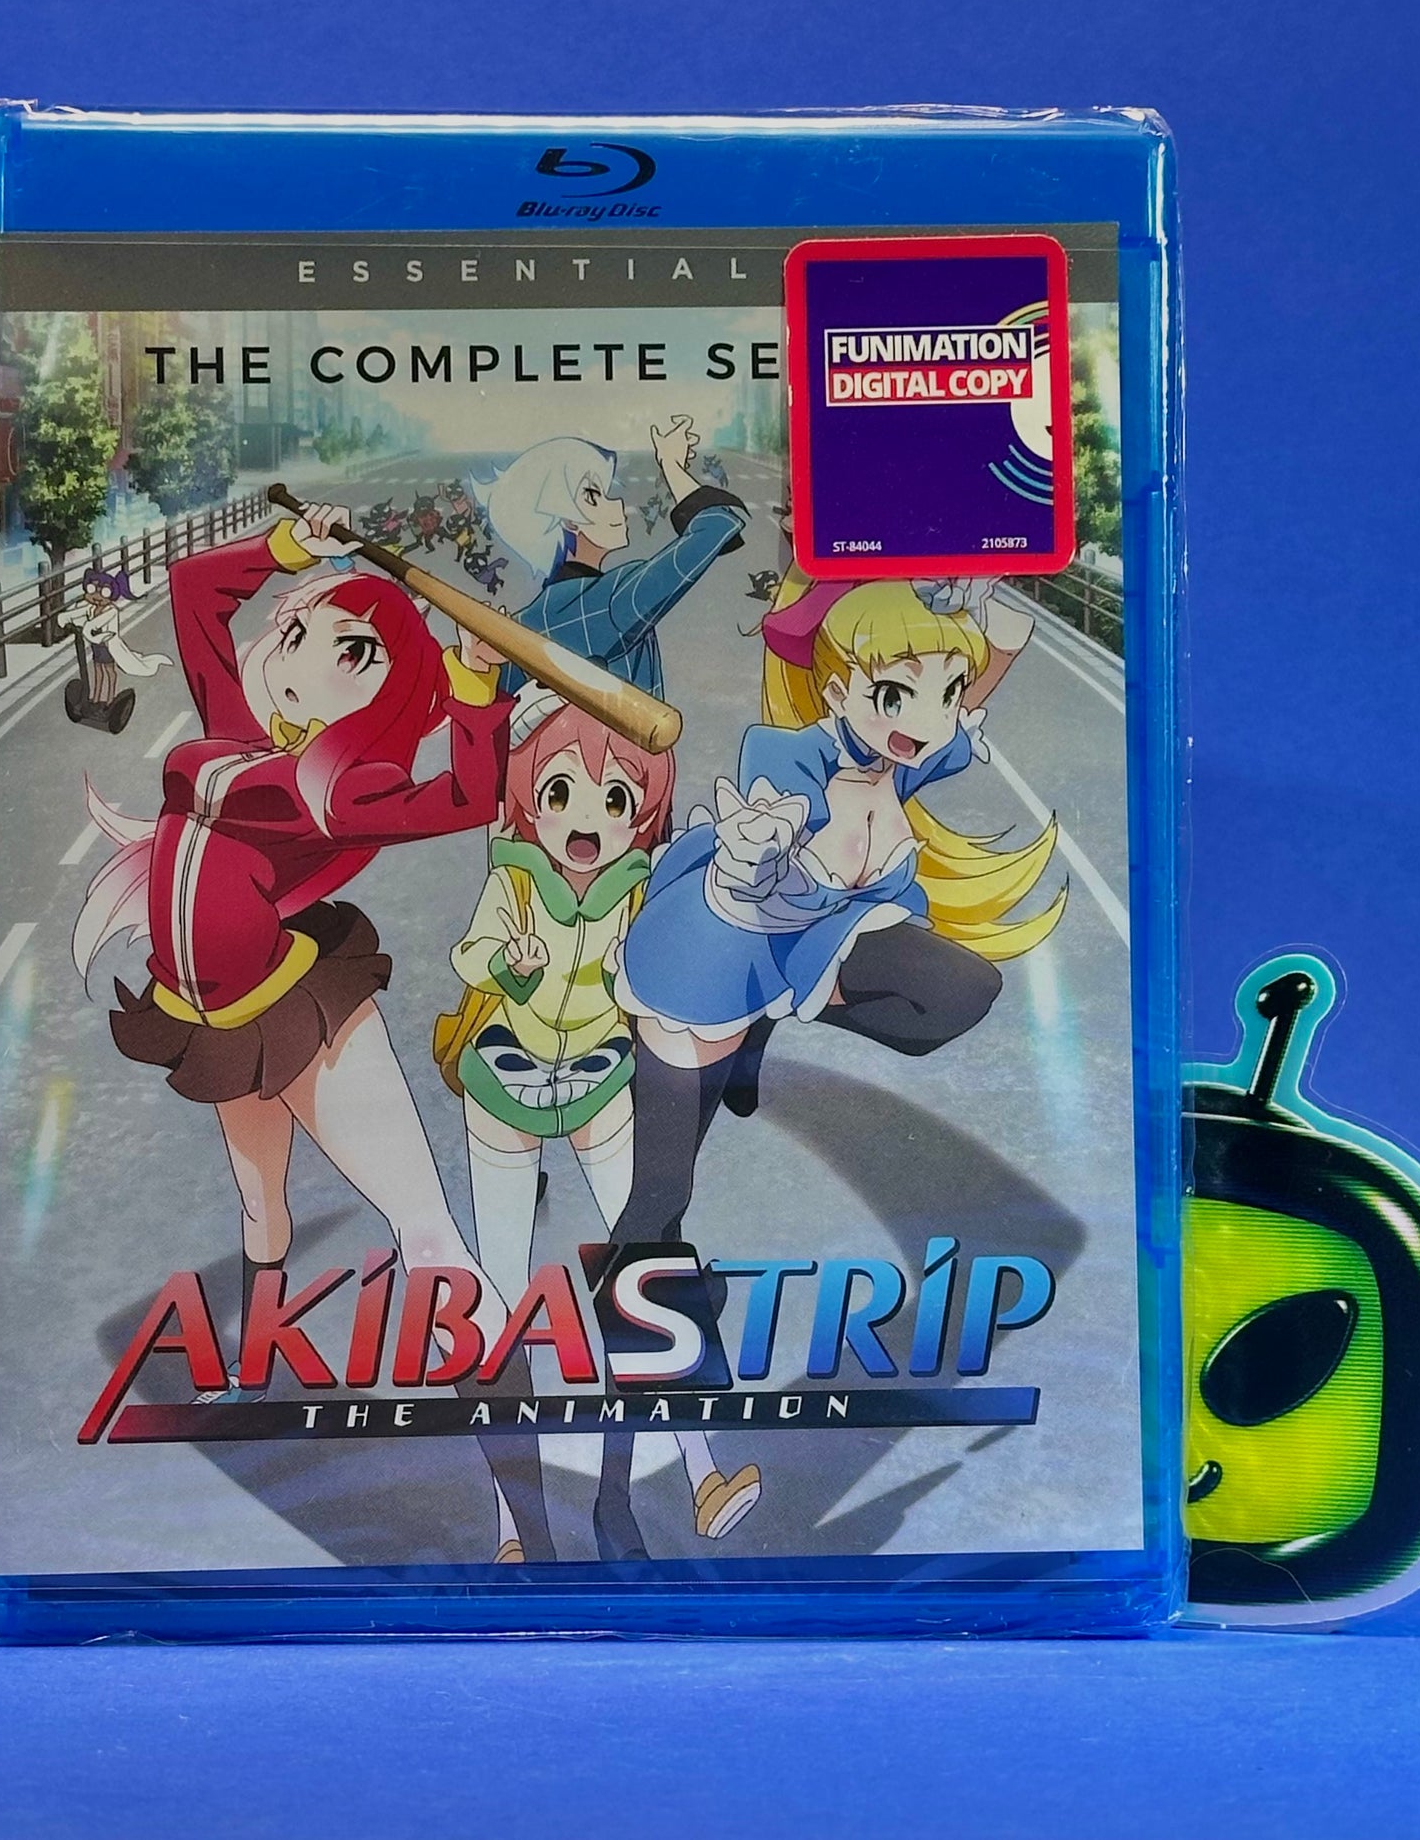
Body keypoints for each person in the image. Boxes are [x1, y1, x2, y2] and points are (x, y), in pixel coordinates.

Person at [73, 502, 557, 1559]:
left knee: (428, 1240)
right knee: (261, 1210)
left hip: (303, 1012)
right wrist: (293, 547)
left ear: (386, 693)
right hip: (208, 1019)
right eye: (299, 630)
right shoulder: (236, 725)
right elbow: (197, 591)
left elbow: (470, 794)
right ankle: (255, 1374)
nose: (300, 658)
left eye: (354, 654)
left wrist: (473, 685)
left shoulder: (347, 784)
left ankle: (522, 1519)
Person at [590, 569, 1067, 1557]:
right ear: (840, 687)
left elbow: (944, 725)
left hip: (779, 969)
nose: (924, 718)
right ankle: (612, 1494)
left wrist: (997, 647)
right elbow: (755, 883)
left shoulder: (899, 752)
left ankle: (774, 1025)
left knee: (958, 990)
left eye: (941, 691)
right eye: (895, 692)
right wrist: (763, 866)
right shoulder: (783, 760)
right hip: (699, 982)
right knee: (654, 1218)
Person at [439, 687, 759, 1560]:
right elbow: (470, 953)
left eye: (616, 798)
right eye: (561, 792)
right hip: (504, 1085)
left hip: (599, 1078)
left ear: (641, 815)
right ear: (528, 798)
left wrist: (639, 969)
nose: (587, 820)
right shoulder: (514, 879)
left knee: (649, 1264)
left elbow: (675, 967)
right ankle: (513, 1525)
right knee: (500, 1300)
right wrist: (510, 963)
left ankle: (703, 1470)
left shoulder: (639, 889)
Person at [475, 415, 746, 701]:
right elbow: (714, 527)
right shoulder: (615, 600)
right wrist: (671, 465)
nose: (617, 504)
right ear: (568, 521)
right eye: (594, 496)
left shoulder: (519, 626)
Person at [58, 567, 170, 706]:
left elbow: (94, 625)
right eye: (93, 589)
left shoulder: (111, 611)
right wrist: (64, 620)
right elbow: (77, 613)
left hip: (107, 645)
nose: (97, 596)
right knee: (98, 669)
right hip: (96, 645)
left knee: (109, 671)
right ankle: (96, 698)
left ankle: (110, 698)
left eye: (104, 592)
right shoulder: (91, 608)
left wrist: (86, 629)